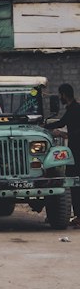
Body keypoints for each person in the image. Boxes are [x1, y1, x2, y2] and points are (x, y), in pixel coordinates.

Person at [53, 82, 80, 221]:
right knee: (72, 184)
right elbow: (61, 123)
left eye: (60, 95)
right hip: (73, 152)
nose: (59, 98)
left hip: (77, 153)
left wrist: (64, 135)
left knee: (75, 184)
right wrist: (44, 126)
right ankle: (76, 215)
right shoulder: (71, 108)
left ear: (64, 94)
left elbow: (74, 130)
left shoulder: (76, 109)